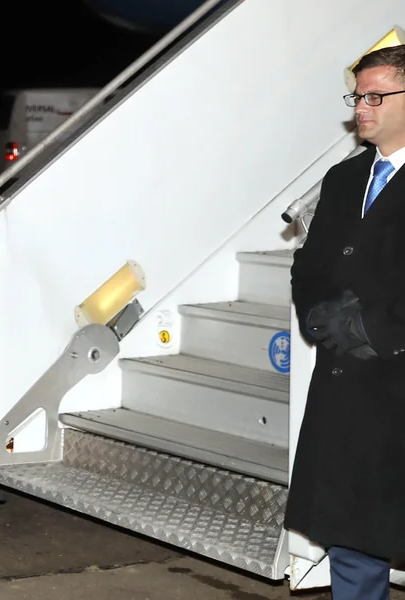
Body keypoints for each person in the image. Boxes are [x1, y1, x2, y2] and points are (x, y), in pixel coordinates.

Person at [286, 45, 405, 600]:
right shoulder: (344, 177)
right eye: (357, 96)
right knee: (354, 536)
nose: (361, 107)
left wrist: (374, 327)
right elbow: (308, 264)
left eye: (375, 96)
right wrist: (318, 315)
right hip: (351, 392)